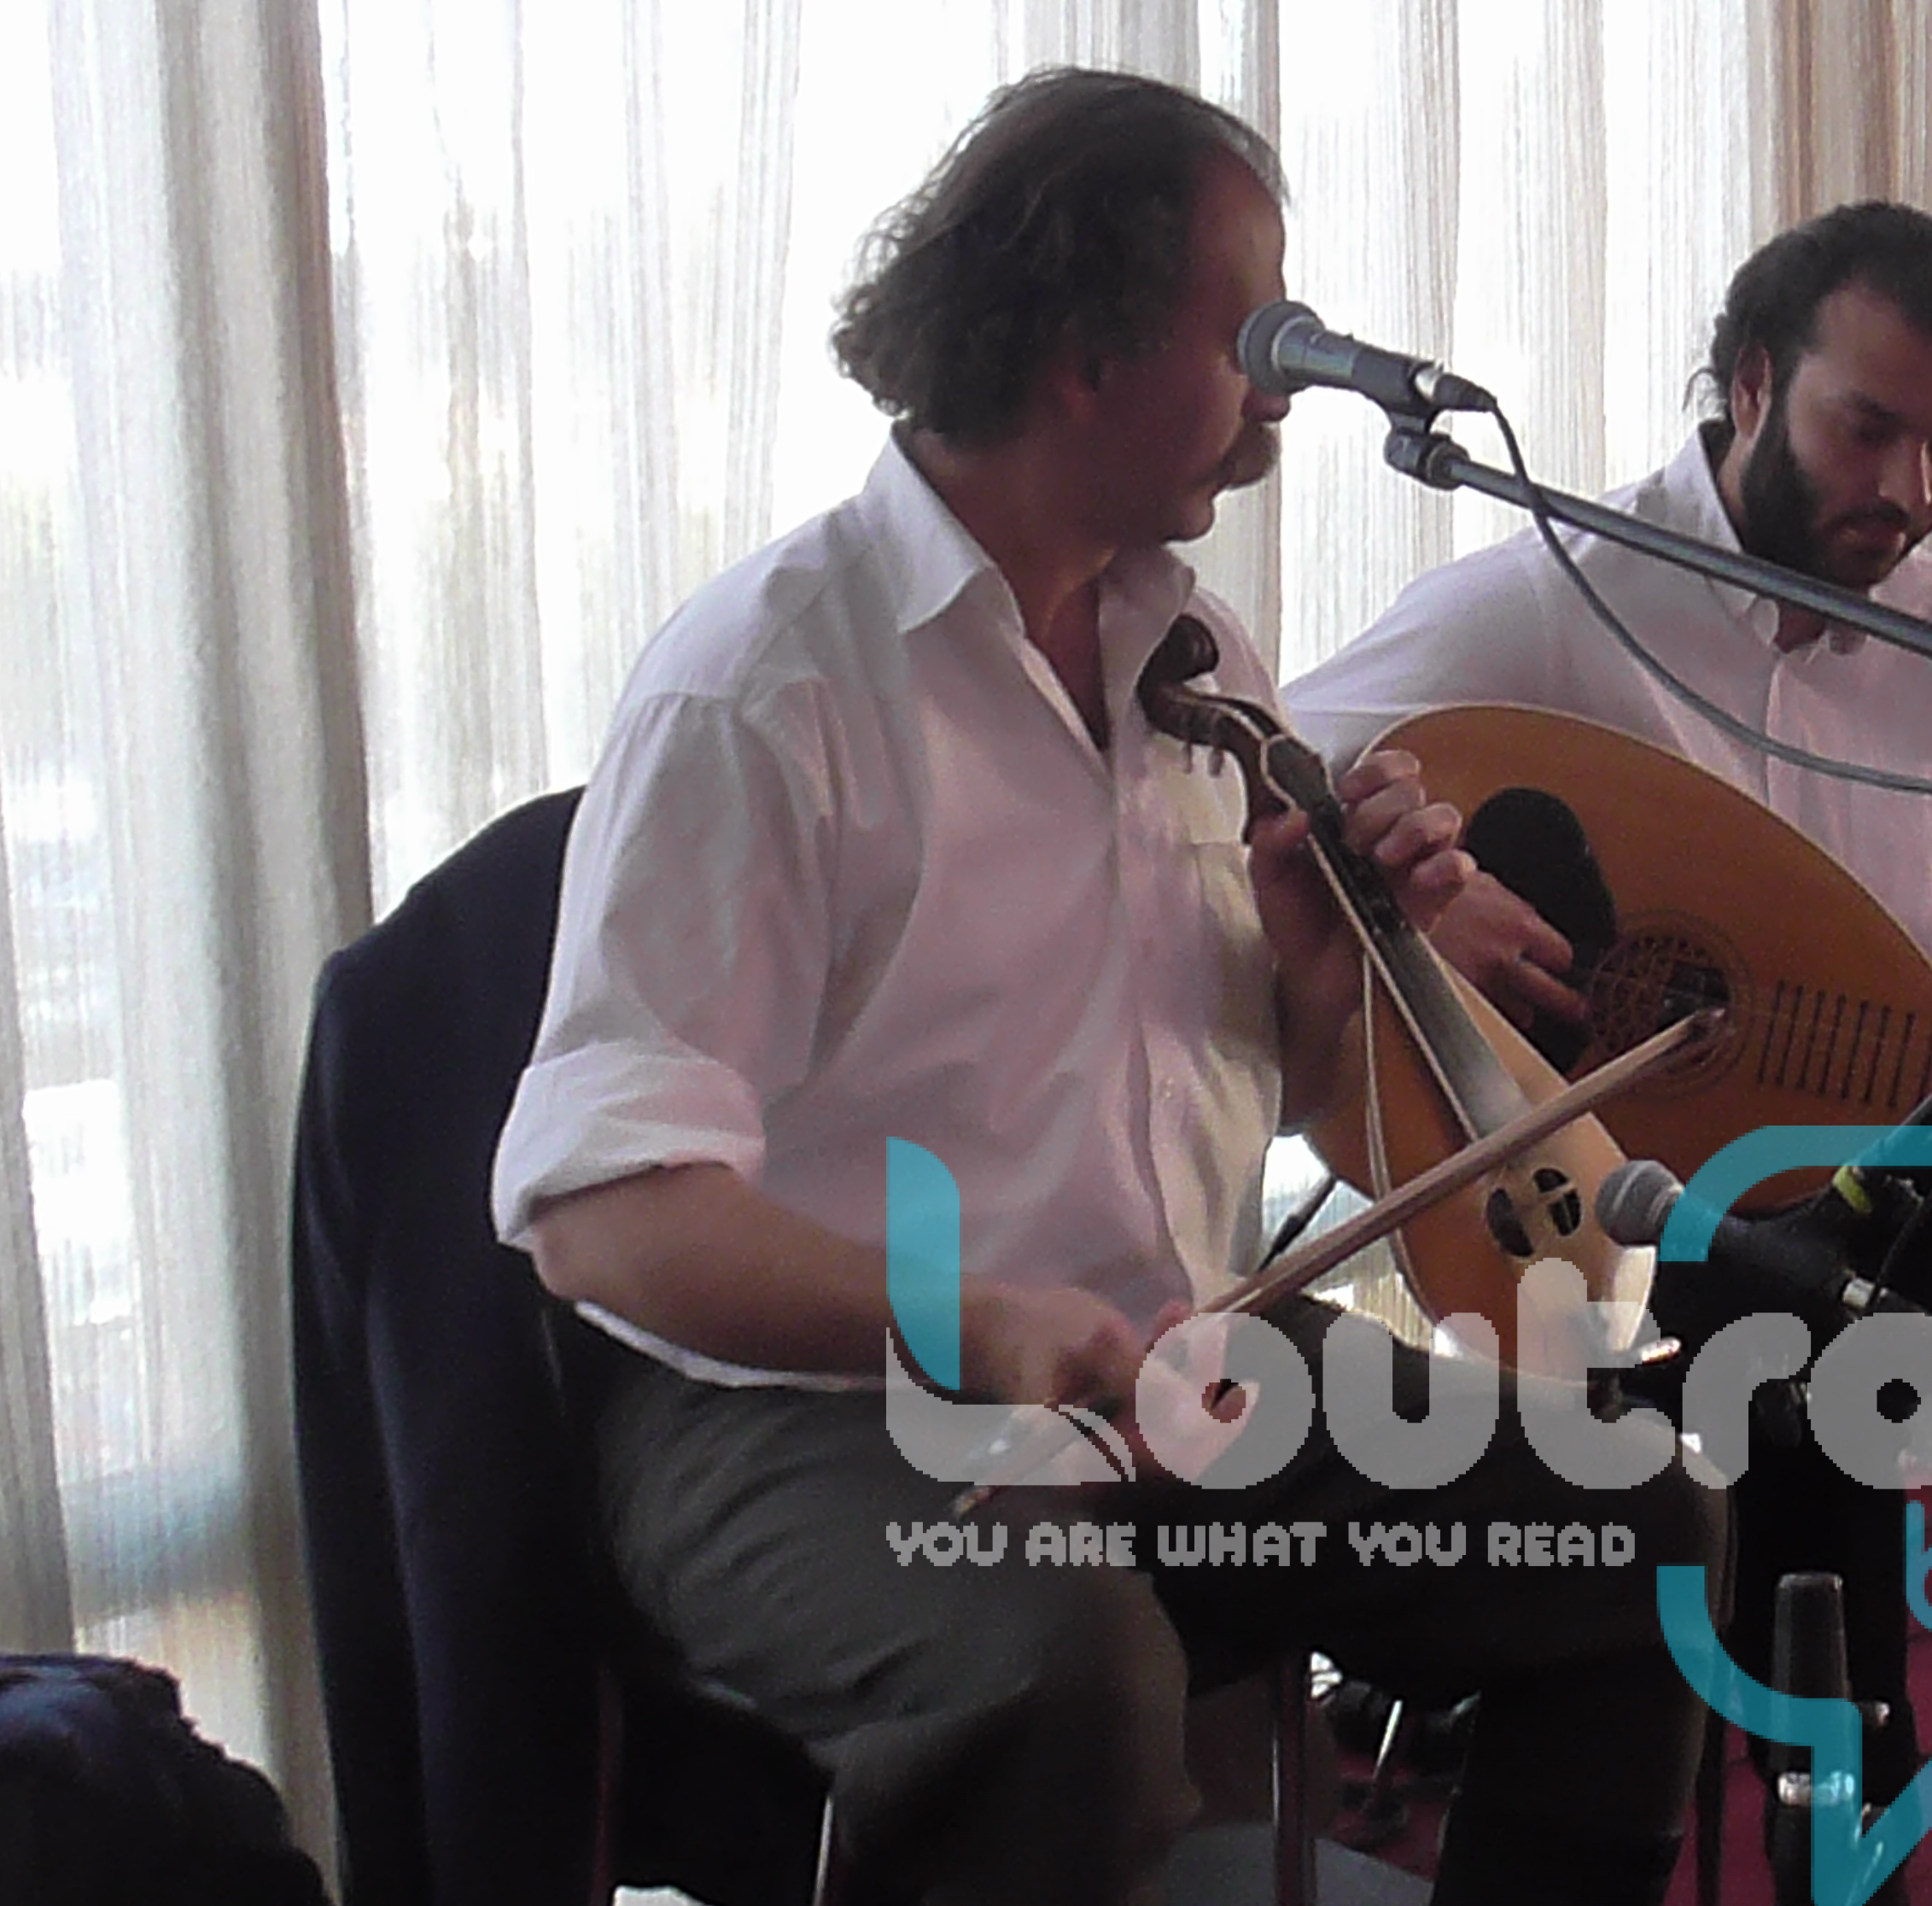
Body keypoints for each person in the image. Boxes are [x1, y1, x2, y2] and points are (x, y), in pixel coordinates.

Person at [489, 69, 1715, 1906]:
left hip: (1165, 1356)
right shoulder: (766, 685)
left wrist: (1327, 979)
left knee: (1636, 1522)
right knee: (1061, 1684)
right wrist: (975, 1324)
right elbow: (602, 1219)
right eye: (1252, 336)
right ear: (1084, 356)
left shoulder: (1195, 650)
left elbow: (1309, 1110)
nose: (1283, 390)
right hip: (801, 1404)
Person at [1286, 203, 1932, 1906]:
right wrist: (1413, 909)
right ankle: (1850, 1836)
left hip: (1889, 1145)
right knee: (1816, 1321)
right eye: (1869, 429)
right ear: (1753, 382)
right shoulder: (1557, 601)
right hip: (1621, 1200)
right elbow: (1245, 764)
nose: (1908, 490)